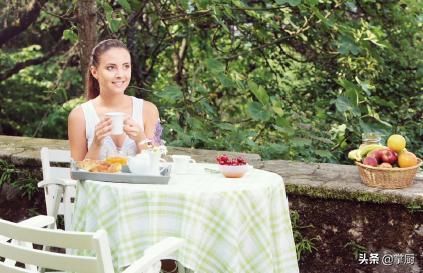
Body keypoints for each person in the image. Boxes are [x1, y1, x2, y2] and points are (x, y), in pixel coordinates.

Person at [68, 39, 159, 161]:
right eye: (111, 68)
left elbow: (156, 168)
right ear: (94, 72)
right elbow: (76, 173)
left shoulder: (148, 110)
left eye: (126, 66)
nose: (120, 74)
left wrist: (141, 139)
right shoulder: (79, 116)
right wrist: (96, 144)